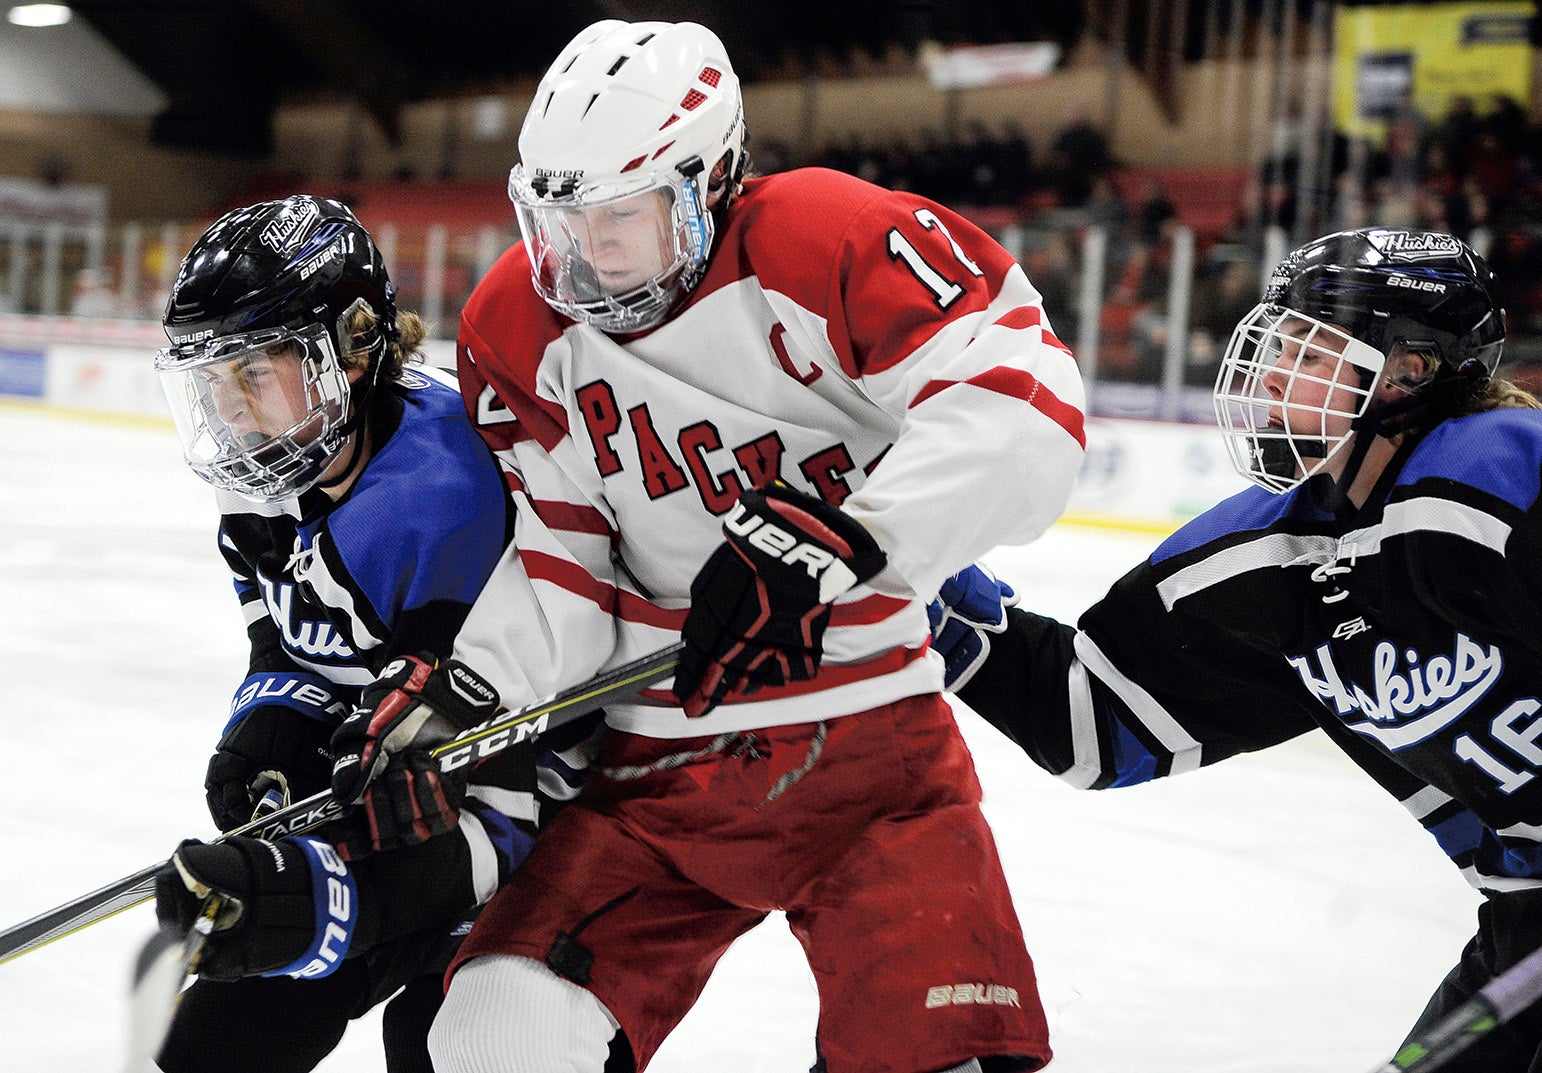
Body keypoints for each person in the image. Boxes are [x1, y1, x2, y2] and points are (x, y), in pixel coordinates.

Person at [324, 19, 1086, 1073]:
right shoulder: (516, 322)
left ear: (714, 177)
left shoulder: (831, 237)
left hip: (873, 750)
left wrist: (843, 540)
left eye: (619, 219)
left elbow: (1026, 408)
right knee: (496, 1031)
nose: (583, 256)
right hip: (656, 766)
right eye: (557, 219)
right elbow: (564, 553)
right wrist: (470, 694)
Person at [939, 227, 1542, 1070]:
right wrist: (929, 600)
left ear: (1409, 372)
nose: (1269, 372)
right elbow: (1093, 721)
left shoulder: (1498, 472)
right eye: (1276, 341)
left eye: (1309, 347)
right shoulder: (1274, 556)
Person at [147, 195, 598, 1073]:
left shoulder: (445, 501)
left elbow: (505, 790)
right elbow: (285, 642)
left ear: (352, 350)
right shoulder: (269, 467)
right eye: (211, 382)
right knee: (212, 1041)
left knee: (438, 1047)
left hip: (524, 823)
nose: (231, 414)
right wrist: (269, 722)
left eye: (254, 374)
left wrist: (328, 902)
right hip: (388, 776)